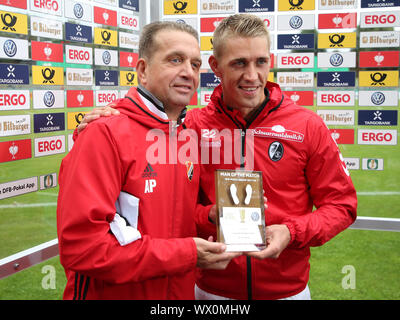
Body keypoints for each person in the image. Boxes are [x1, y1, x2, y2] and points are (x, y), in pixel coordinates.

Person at [77, 14, 357, 300]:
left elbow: (342, 205)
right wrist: (100, 124)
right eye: (239, 63)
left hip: (288, 292)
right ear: (216, 67)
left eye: (260, 62)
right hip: (209, 290)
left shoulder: (307, 126)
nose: (252, 76)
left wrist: (291, 231)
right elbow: (174, 201)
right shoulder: (191, 127)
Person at [57, 21, 240, 300]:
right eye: (175, 60)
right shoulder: (103, 132)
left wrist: (209, 216)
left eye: (194, 64)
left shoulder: (186, 135)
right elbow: (84, 247)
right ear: (143, 70)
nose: (187, 72)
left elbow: (172, 219)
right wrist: (187, 254)